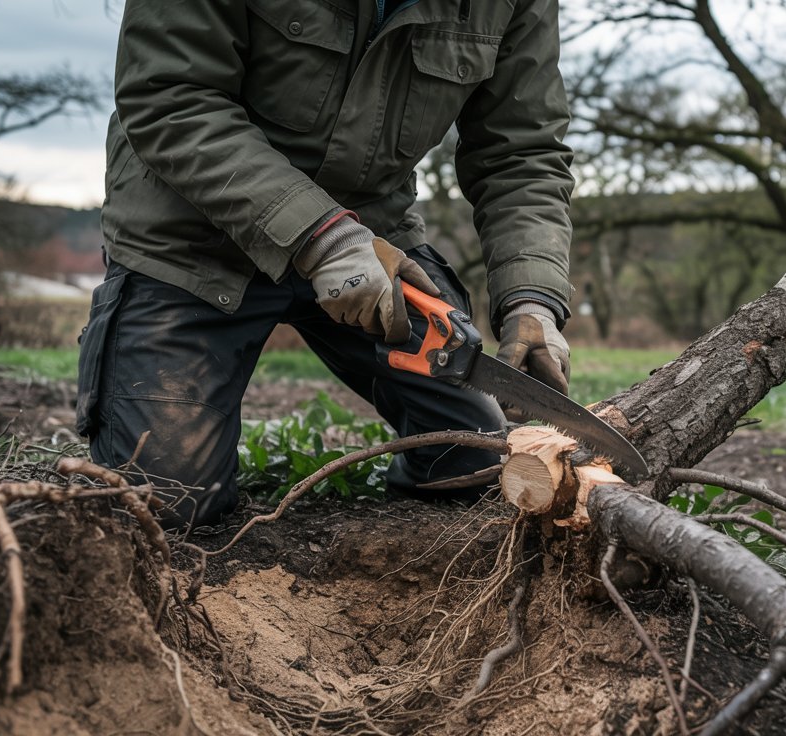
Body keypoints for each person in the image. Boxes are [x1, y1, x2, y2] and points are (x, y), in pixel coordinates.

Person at [75, 0, 575, 530]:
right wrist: (322, 238)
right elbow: (171, 98)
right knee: (164, 505)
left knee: (482, 459)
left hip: (374, 251)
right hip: (194, 240)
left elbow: (522, 152)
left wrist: (532, 298)